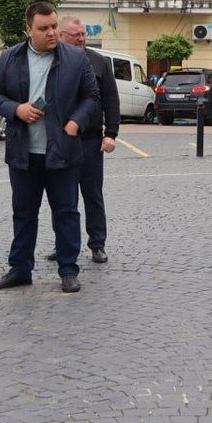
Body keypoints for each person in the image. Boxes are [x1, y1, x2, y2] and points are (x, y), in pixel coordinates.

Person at [0, 1, 99, 293]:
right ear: (29, 30)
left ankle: (68, 270)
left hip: (63, 150)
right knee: (23, 213)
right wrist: (16, 109)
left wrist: (76, 122)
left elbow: (91, 96)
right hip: (24, 152)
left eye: (54, 27)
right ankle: (20, 269)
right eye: (43, 28)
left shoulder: (75, 58)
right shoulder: (11, 57)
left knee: (66, 213)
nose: (51, 33)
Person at [47, 16, 117, 264]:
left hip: (90, 139)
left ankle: (97, 244)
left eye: (84, 34)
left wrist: (111, 134)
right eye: (76, 35)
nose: (82, 39)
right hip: (62, 140)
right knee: (62, 197)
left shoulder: (99, 62)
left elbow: (110, 99)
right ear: (63, 35)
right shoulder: (53, 60)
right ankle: (64, 245)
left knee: (92, 195)